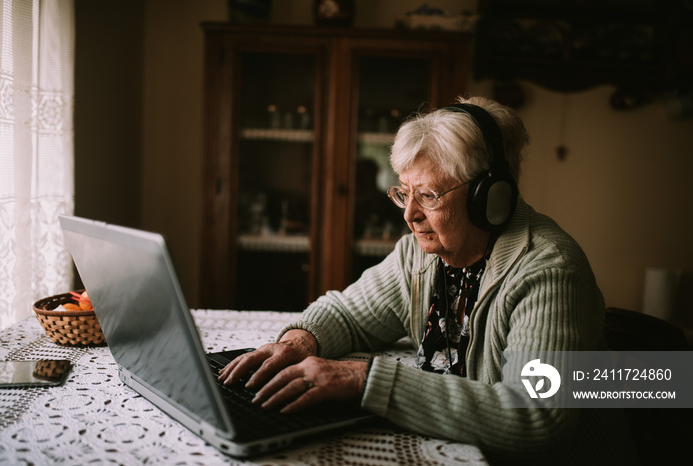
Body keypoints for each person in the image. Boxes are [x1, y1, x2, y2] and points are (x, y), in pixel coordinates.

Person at [218, 96, 636, 465]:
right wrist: (298, 343)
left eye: (429, 196)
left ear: (489, 197)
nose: (409, 214)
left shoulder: (549, 271)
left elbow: (535, 418)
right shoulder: (419, 254)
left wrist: (364, 379)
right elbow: (347, 313)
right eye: (403, 192)